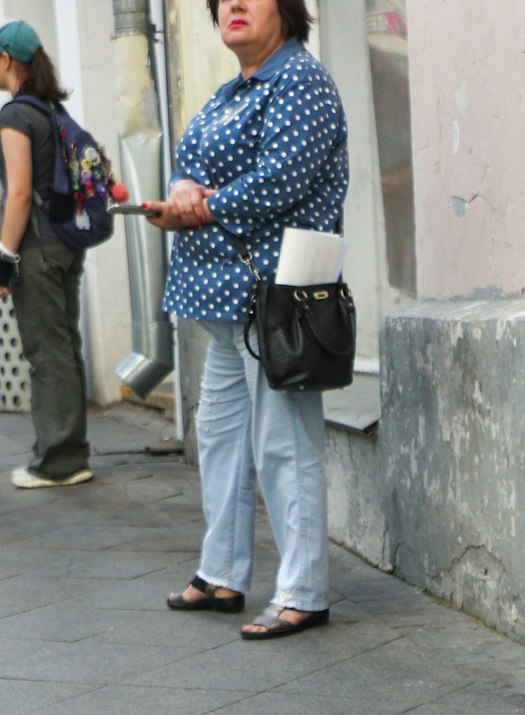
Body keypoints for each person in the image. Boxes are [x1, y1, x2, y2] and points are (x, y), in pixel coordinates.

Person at [144, 0, 347, 638]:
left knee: (284, 445)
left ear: (286, 10)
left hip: (277, 298)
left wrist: (199, 209)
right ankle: (222, 573)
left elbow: (280, 181)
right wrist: (181, 187)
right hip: (225, 300)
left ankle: (305, 590)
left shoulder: (301, 82)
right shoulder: (234, 89)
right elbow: (191, 160)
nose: (231, 5)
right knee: (224, 438)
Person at [0, 20, 94, 489]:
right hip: (65, 243)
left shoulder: (15, 116)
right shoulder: (49, 109)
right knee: (65, 348)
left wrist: (4, 257)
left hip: (38, 248)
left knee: (47, 353)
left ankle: (59, 459)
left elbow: (19, 194)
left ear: (6, 59)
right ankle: (68, 451)